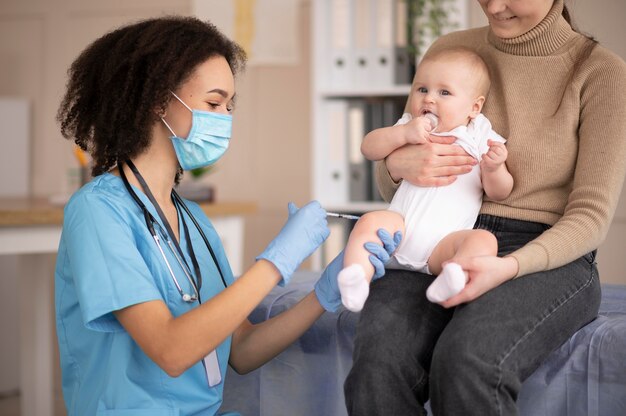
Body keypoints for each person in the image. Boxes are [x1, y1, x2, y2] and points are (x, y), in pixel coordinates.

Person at [54, 16, 401, 416]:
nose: (224, 118)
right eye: (213, 103)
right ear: (157, 100)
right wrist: (276, 261)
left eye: (229, 106)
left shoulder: (193, 221)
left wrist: (324, 293)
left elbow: (241, 350)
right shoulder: (98, 212)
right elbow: (171, 349)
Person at [344, 0, 626, 415]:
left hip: (544, 252)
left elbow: (590, 217)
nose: (494, 6)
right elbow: (401, 168)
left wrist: (509, 266)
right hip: (442, 237)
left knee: (467, 362)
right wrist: (395, 166)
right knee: (377, 364)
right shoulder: (451, 50)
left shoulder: (601, 73)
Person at [338, 47, 513, 312]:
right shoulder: (409, 124)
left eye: (444, 92)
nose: (429, 99)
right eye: (422, 90)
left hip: (443, 246)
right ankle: (356, 277)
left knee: (484, 241)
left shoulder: (479, 134)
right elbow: (368, 147)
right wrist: (403, 135)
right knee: (370, 221)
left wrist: (494, 168)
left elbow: (500, 192)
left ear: (474, 107)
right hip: (397, 231)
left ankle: (452, 276)